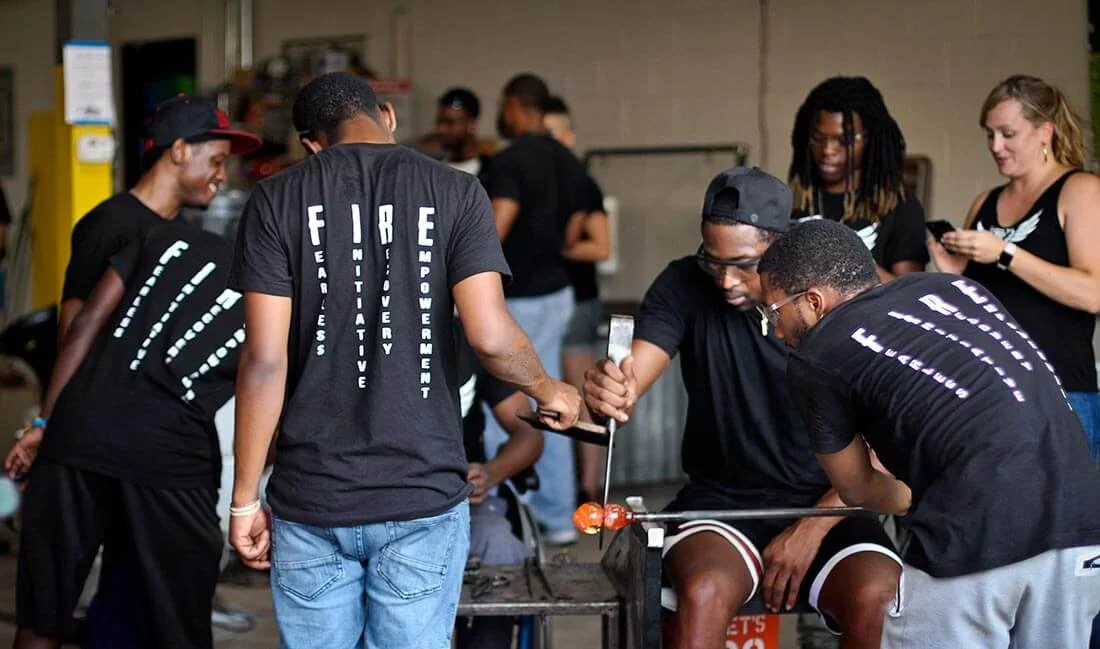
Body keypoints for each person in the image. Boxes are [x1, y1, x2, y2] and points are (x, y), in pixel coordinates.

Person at [226, 72, 580, 649]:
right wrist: (548, 388)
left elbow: (263, 362)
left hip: (313, 497)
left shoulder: (275, 199)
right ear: (386, 115)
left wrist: (243, 501)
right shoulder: (457, 192)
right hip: (420, 495)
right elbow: (489, 335)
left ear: (312, 143)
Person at [584, 167, 901, 649]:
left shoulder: (833, 296)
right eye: (713, 262)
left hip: (834, 503)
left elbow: (887, 442)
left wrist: (810, 529)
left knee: (880, 599)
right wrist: (614, 388)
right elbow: (635, 371)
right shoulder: (685, 284)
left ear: (781, 249)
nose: (726, 280)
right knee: (705, 589)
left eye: (745, 264)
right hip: (722, 504)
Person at [759, 218, 1100, 649]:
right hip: (1081, 523)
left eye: (773, 312)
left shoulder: (817, 357)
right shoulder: (958, 290)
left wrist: (907, 499)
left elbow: (857, 487)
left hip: (975, 533)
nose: (774, 330)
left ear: (813, 302)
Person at [5, 219, 246, 649]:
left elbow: (85, 324)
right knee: (179, 623)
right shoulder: (285, 286)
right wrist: (249, 496)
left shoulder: (162, 236)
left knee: (44, 615)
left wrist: (45, 424)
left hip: (79, 427)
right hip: (167, 453)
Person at [928, 74, 1100, 460]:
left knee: (1062, 518)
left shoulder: (1081, 190)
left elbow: (1093, 294)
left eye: (1008, 133)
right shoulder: (984, 201)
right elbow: (974, 310)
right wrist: (951, 276)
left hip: (1060, 391)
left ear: (1045, 132)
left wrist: (1006, 253)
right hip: (986, 390)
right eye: (989, 135)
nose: (996, 146)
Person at [58, 95, 260, 340]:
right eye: (216, 162)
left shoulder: (182, 232)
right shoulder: (109, 223)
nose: (222, 176)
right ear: (179, 151)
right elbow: (72, 326)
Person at [484, 73, 589, 544]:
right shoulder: (569, 161)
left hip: (517, 300)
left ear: (515, 106)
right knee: (553, 401)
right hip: (557, 293)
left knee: (503, 406)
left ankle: (506, 509)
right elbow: (573, 233)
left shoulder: (509, 162)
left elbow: (491, 234)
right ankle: (556, 514)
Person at [453, 319, 544, 649]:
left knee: (499, 544)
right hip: (385, 504)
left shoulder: (470, 341)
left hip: (462, 503)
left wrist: (492, 472)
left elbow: (529, 435)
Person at [788, 76, 927, 281]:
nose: (828, 150)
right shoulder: (790, 204)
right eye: (818, 138)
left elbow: (909, 297)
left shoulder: (901, 208)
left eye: (844, 140)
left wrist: (849, 257)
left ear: (871, 139)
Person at [543, 95, 612, 503]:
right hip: (551, 300)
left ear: (568, 137)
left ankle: (589, 489)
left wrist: (552, 250)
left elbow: (600, 247)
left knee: (582, 396)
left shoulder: (580, 184)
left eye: (551, 135)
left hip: (576, 301)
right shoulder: (540, 183)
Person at [436, 87, 493, 186]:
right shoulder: (432, 171)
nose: (442, 129)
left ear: (472, 124)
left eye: (450, 123)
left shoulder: (492, 172)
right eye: (440, 122)